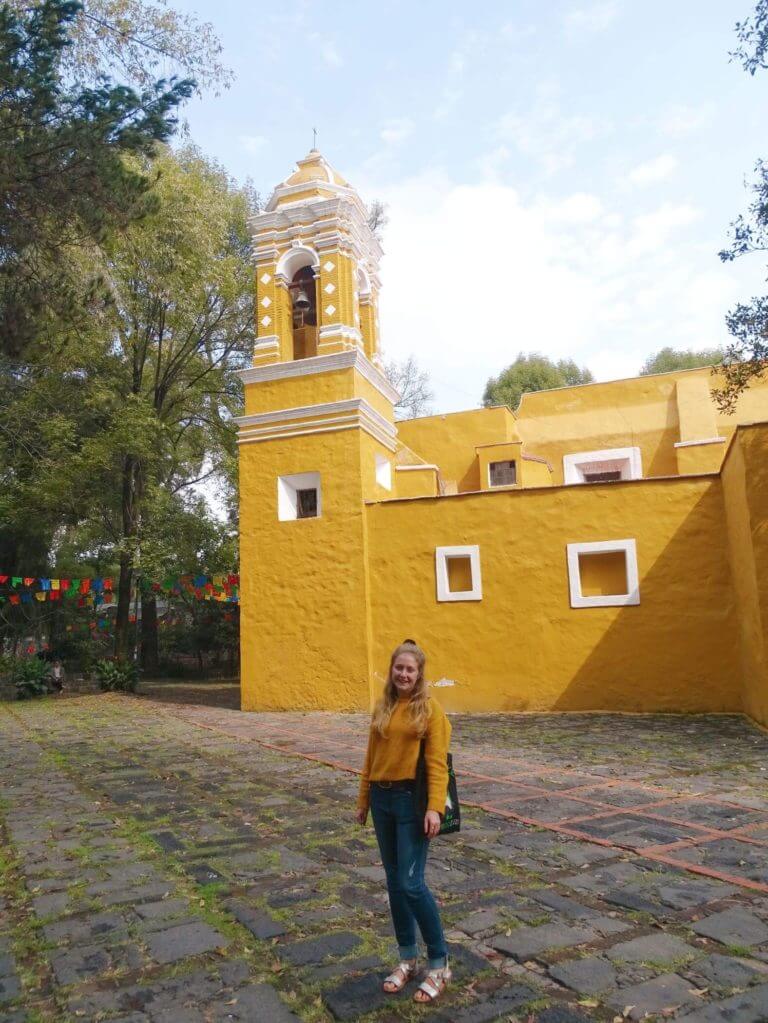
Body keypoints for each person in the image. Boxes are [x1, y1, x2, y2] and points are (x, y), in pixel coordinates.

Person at [355, 639, 452, 1005]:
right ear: (392, 670)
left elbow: (437, 764)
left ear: (419, 673)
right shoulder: (384, 706)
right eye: (399, 668)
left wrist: (434, 808)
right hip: (381, 801)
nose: (404, 674)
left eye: (410, 669)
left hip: (411, 801)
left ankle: (439, 962)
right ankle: (407, 957)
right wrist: (363, 800)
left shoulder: (429, 710)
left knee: (412, 883)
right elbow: (370, 757)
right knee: (395, 883)